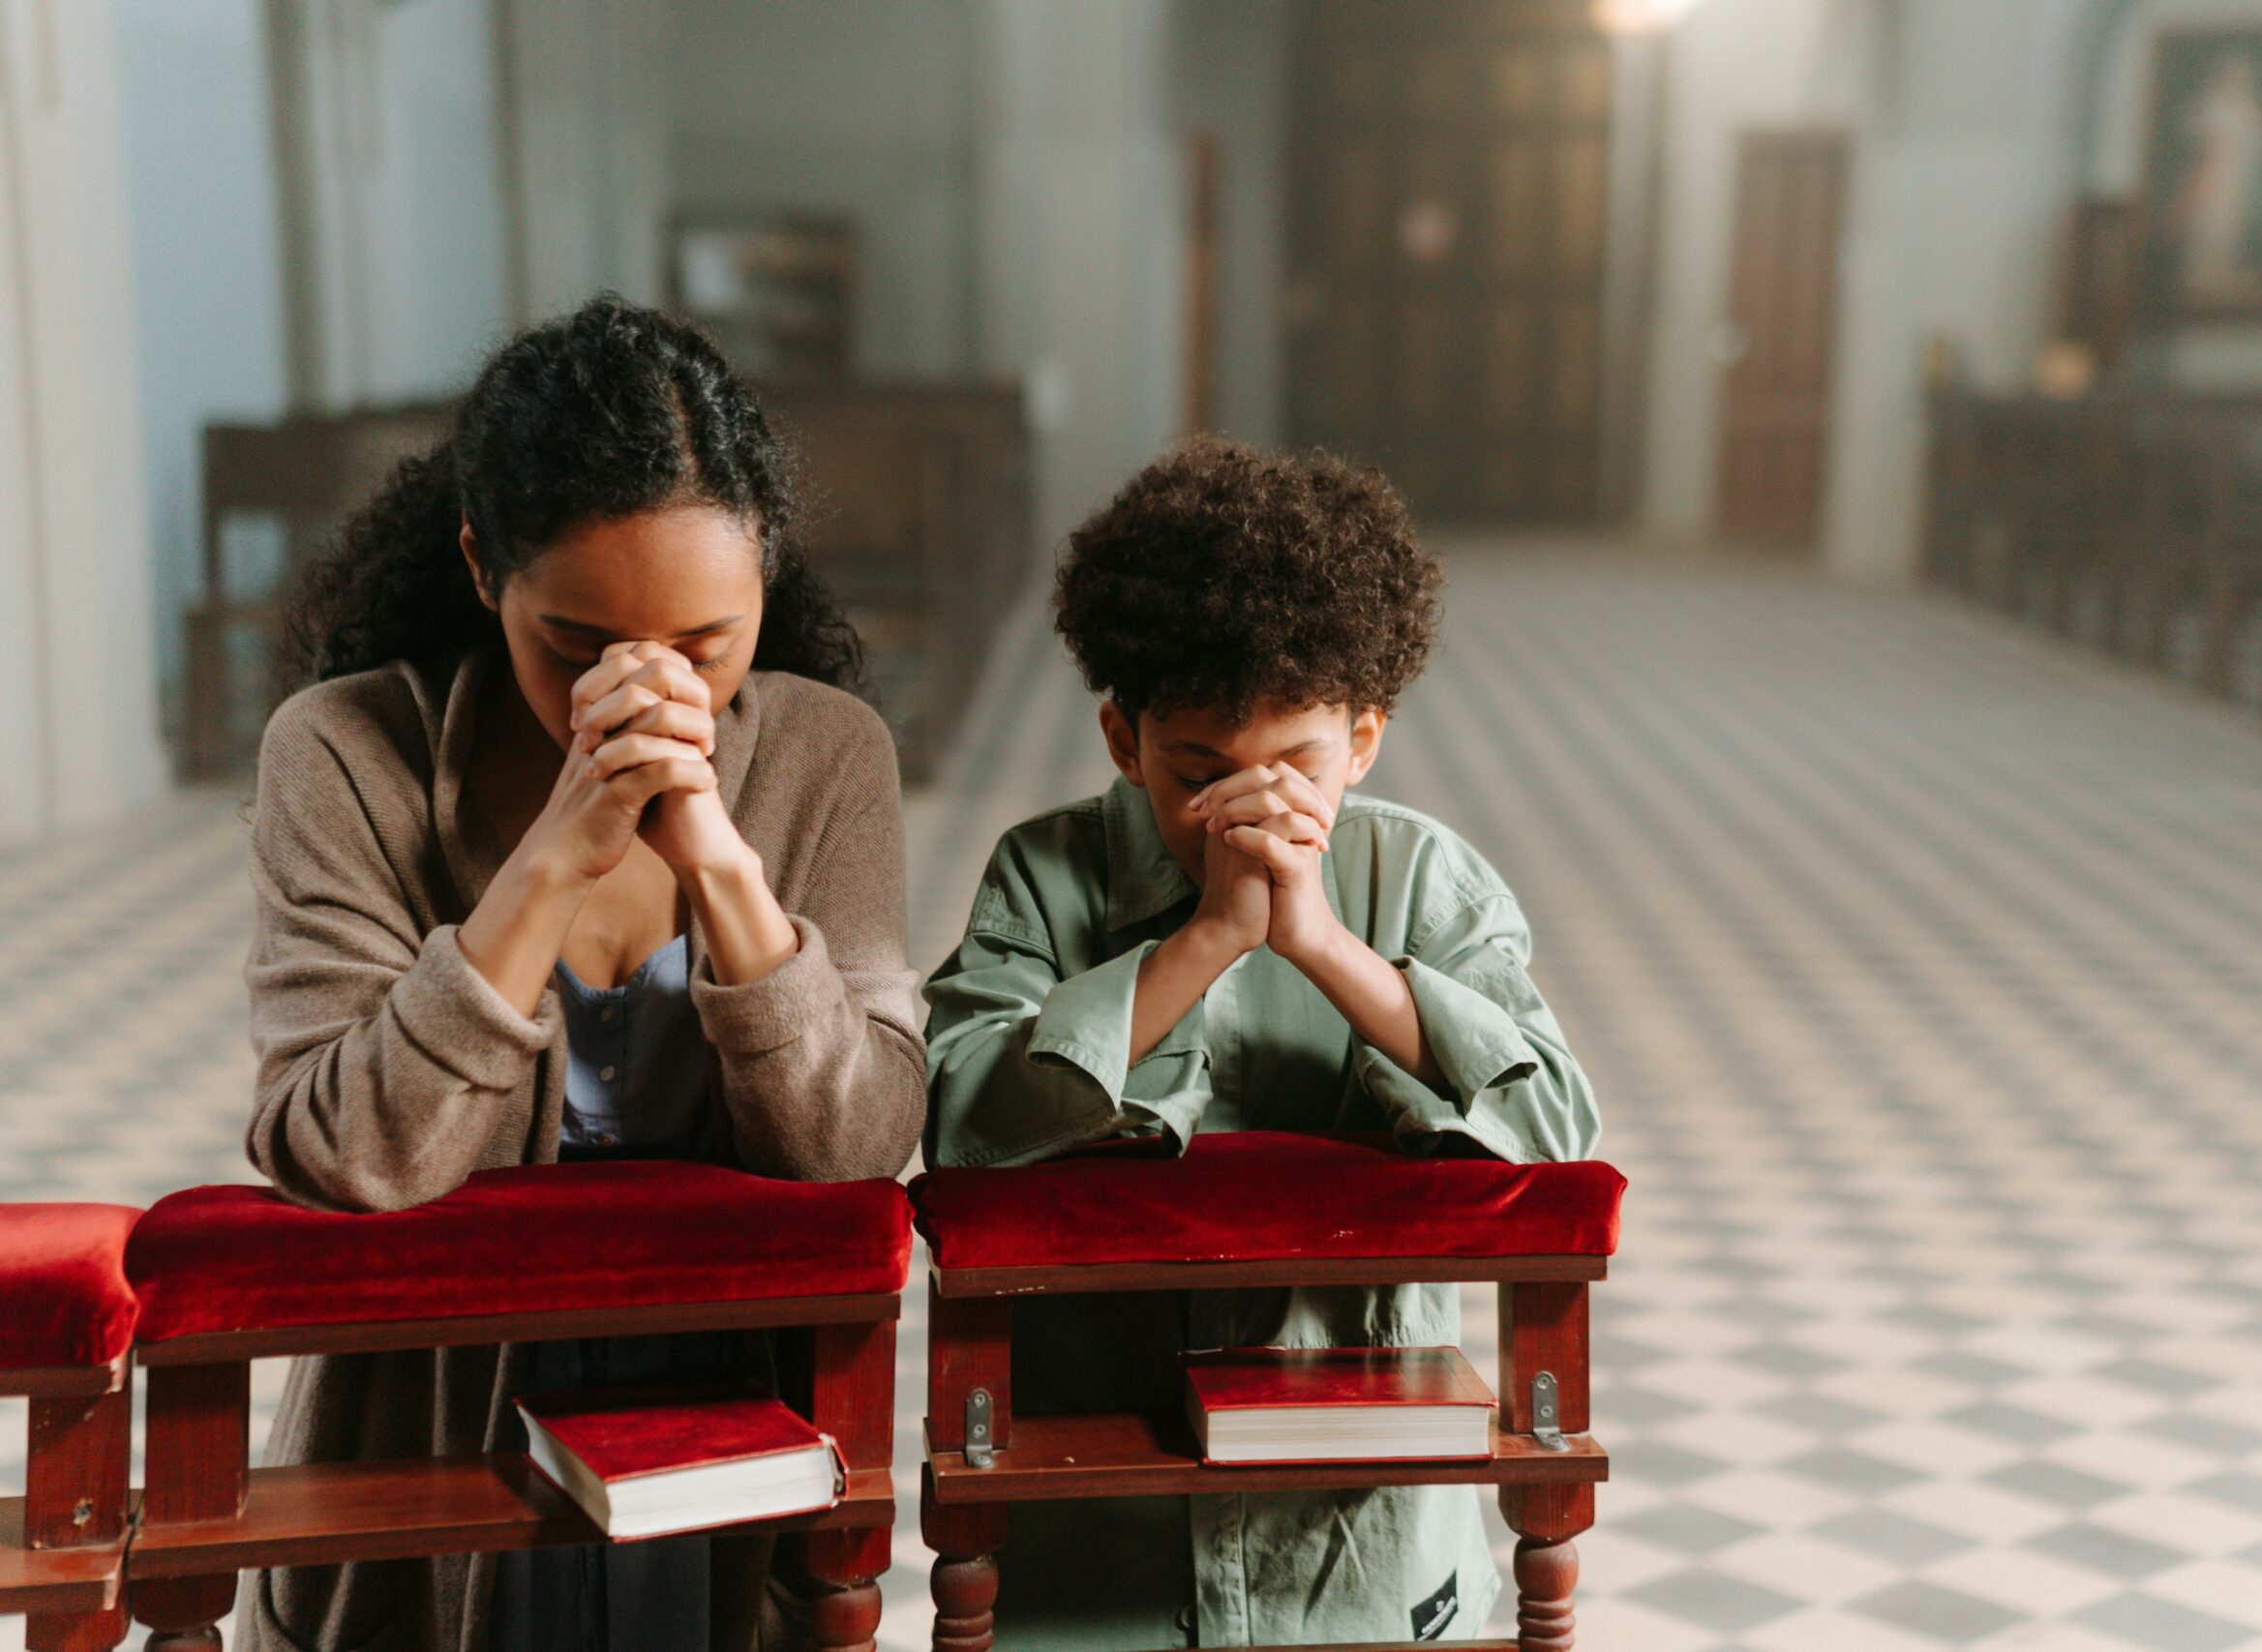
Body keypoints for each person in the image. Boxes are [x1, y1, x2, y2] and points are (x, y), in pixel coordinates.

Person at [239, 295, 925, 1652]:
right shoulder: (339, 753)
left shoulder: (828, 754)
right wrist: (552, 857)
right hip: (429, 1433)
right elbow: (343, 1150)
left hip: (726, 1435)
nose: (644, 690)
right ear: (482, 566)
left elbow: (859, 1143)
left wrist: (723, 865)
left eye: (705, 644)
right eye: (577, 646)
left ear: (766, 579)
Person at [922, 436, 1599, 1647]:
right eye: (1198, 773)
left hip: (1357, 1544)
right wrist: (1211, 938)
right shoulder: (1043, 874)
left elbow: (1551, 1128)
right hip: (1099, 1542)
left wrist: (1325, 947)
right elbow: (961, 1124)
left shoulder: (1426, 879)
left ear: (1367, 740)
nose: (1249, 811)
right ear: (1121, 739)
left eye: (1297, 766)